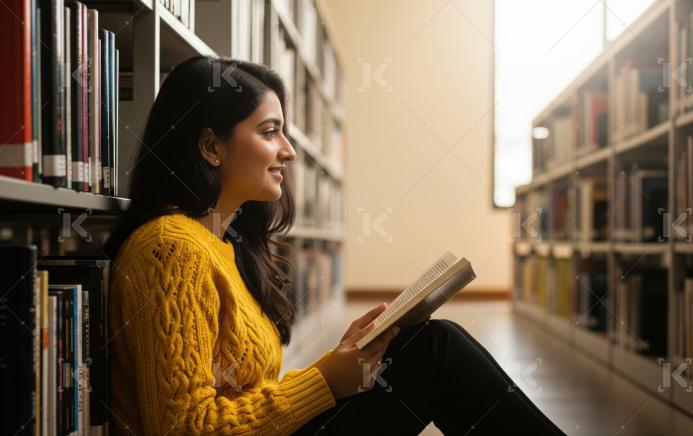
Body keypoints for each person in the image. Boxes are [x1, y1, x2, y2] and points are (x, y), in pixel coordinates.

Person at [103, 55, 564, 435]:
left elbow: (248, 397)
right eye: (269, 132)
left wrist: (339, 362)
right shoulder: (171, 249)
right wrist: (325, 379)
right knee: (435, 352)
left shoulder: (221, 244)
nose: (289, 150)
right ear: (211, 146)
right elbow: (185, 428)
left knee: (428, 345)